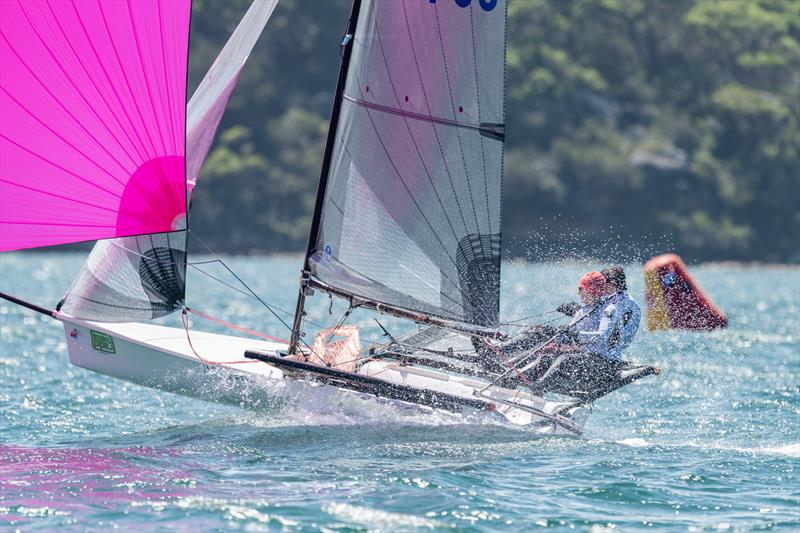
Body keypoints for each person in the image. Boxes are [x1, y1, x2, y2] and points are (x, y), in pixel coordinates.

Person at [601, 266, 641, 359]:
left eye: (603, 285)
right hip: (605, 350)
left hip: (609, 355)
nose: (600, 289)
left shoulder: (628, 304)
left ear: (614, 284)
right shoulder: (611, 298)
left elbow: (611, 332)